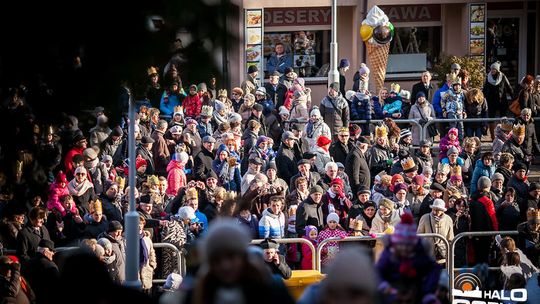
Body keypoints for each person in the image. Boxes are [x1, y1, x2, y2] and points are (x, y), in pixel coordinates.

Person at [470, 176, 499, 264]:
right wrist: (496, 232)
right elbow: (492, 217)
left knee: (477, 257)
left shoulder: (472, 198)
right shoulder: (487, 201)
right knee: (485, 257)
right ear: (488, 186)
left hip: (475, 232)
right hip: (486, 233)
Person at [417, 199, 454, 265]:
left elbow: (450, 237)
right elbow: (419, 235)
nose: (435, 211)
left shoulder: (448, 219)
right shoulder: (425, 218)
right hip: (427, 253)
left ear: (442, 210)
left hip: (442, 254)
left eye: (438, 210)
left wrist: (449, 251)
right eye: (434, 209)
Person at [483, 61, 514, 138]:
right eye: (491, 69)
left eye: (494, 69)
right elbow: (485, 89)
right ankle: (493, 137)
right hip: (491, 101)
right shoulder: (488, 77)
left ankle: (505, 136)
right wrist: (483, 97)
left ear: (497, 70)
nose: (492, 70)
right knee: (491, 118)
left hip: (502, 101)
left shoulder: (502, 76)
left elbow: (509, 87)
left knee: (504, 118)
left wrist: (513, 97)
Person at [22, 239, 59, 303]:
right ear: (45, 251)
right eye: (51, 250)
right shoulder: (51, 266)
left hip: (29, 299)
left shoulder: (27, 263)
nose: (53, 253)